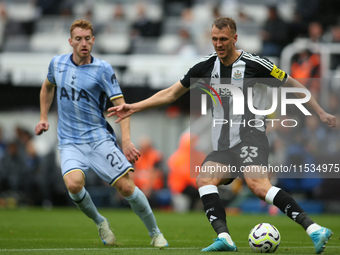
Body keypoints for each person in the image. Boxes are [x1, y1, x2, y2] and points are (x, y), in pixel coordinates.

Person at [107, 17, 336, 253]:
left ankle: (314, 229)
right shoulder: (205, 67)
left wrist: (319, 111)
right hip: (225, 146)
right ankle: (225, 238)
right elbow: (171, 93)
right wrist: (133, 107)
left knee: (258, 186)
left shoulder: (255, 64)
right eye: (215, 39)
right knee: (204, 179)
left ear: (235, 38)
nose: (218, 44)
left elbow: (292, 84)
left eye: (224, 39)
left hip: (251, 137)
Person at [35, 19, 168, 248]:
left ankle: (155, 233)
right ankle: (100, 222)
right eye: (78, 39)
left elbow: (122, 106)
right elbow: (47, 87)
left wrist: (125, 141)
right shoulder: (56, 64)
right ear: (70, 41)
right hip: (70, 142)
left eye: (87, 38)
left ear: (93, 40)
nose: (83, 43)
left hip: (98, 139)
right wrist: (44, 117)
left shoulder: (103, 69)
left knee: (126, 187)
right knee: (74, 184)